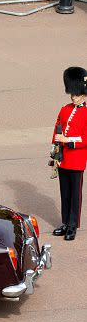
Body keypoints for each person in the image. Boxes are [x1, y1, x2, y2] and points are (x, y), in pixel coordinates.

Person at [52, 67, 87, 241]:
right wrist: (55, 153)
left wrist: (67, 140)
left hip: (77, 160)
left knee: (75, 195)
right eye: (72, 93)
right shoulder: (65, 109)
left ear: (84, 94)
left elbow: (85, 139)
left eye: (77, 94)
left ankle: (73, 225)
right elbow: (57, 131)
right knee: (64, 193)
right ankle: (65, 222)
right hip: (63, 159)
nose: (73, 97)